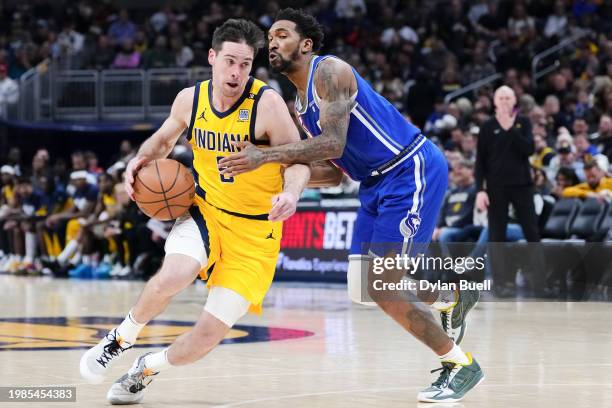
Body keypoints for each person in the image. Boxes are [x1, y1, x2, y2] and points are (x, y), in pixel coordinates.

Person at [219, 9, 483, 403]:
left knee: (384, 285)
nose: (272, 43)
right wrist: (272, 177)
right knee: (366, 287)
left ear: (305, 44)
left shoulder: (330, 72)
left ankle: (460, 364)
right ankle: (451, 297)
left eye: (282, 35)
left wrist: (267, 154)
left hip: (409, 168)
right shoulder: (299, 104)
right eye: (269, 37)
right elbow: (333, 171)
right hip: (374, 184)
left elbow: (332, 144)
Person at [79, 19, 310, 405]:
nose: (237, 72)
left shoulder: (266, 104)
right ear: (212, 57)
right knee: (175, 273)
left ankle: (147, 368)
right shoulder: (191, 99)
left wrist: (292, 193)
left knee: (205, 338)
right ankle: (120, 339)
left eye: (245, 64)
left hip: (256, 235)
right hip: (207, 211)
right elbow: (165, 139)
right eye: (230, 62)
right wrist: (140, 159)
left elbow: (299, 160)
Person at [475, 85, 544, 295]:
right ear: (495, 102)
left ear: (514, 101)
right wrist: (480, 190)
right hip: (496, 188)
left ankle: (541, 283)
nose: (504, 101)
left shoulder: (523, 122)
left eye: (508, 97)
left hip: (522, 186)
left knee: (532, 233)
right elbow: (480, 161)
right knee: (497, 235)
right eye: (501, 97)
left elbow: (529, 149)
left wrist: (511, 128)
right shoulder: (487, 126)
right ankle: (501, 284)